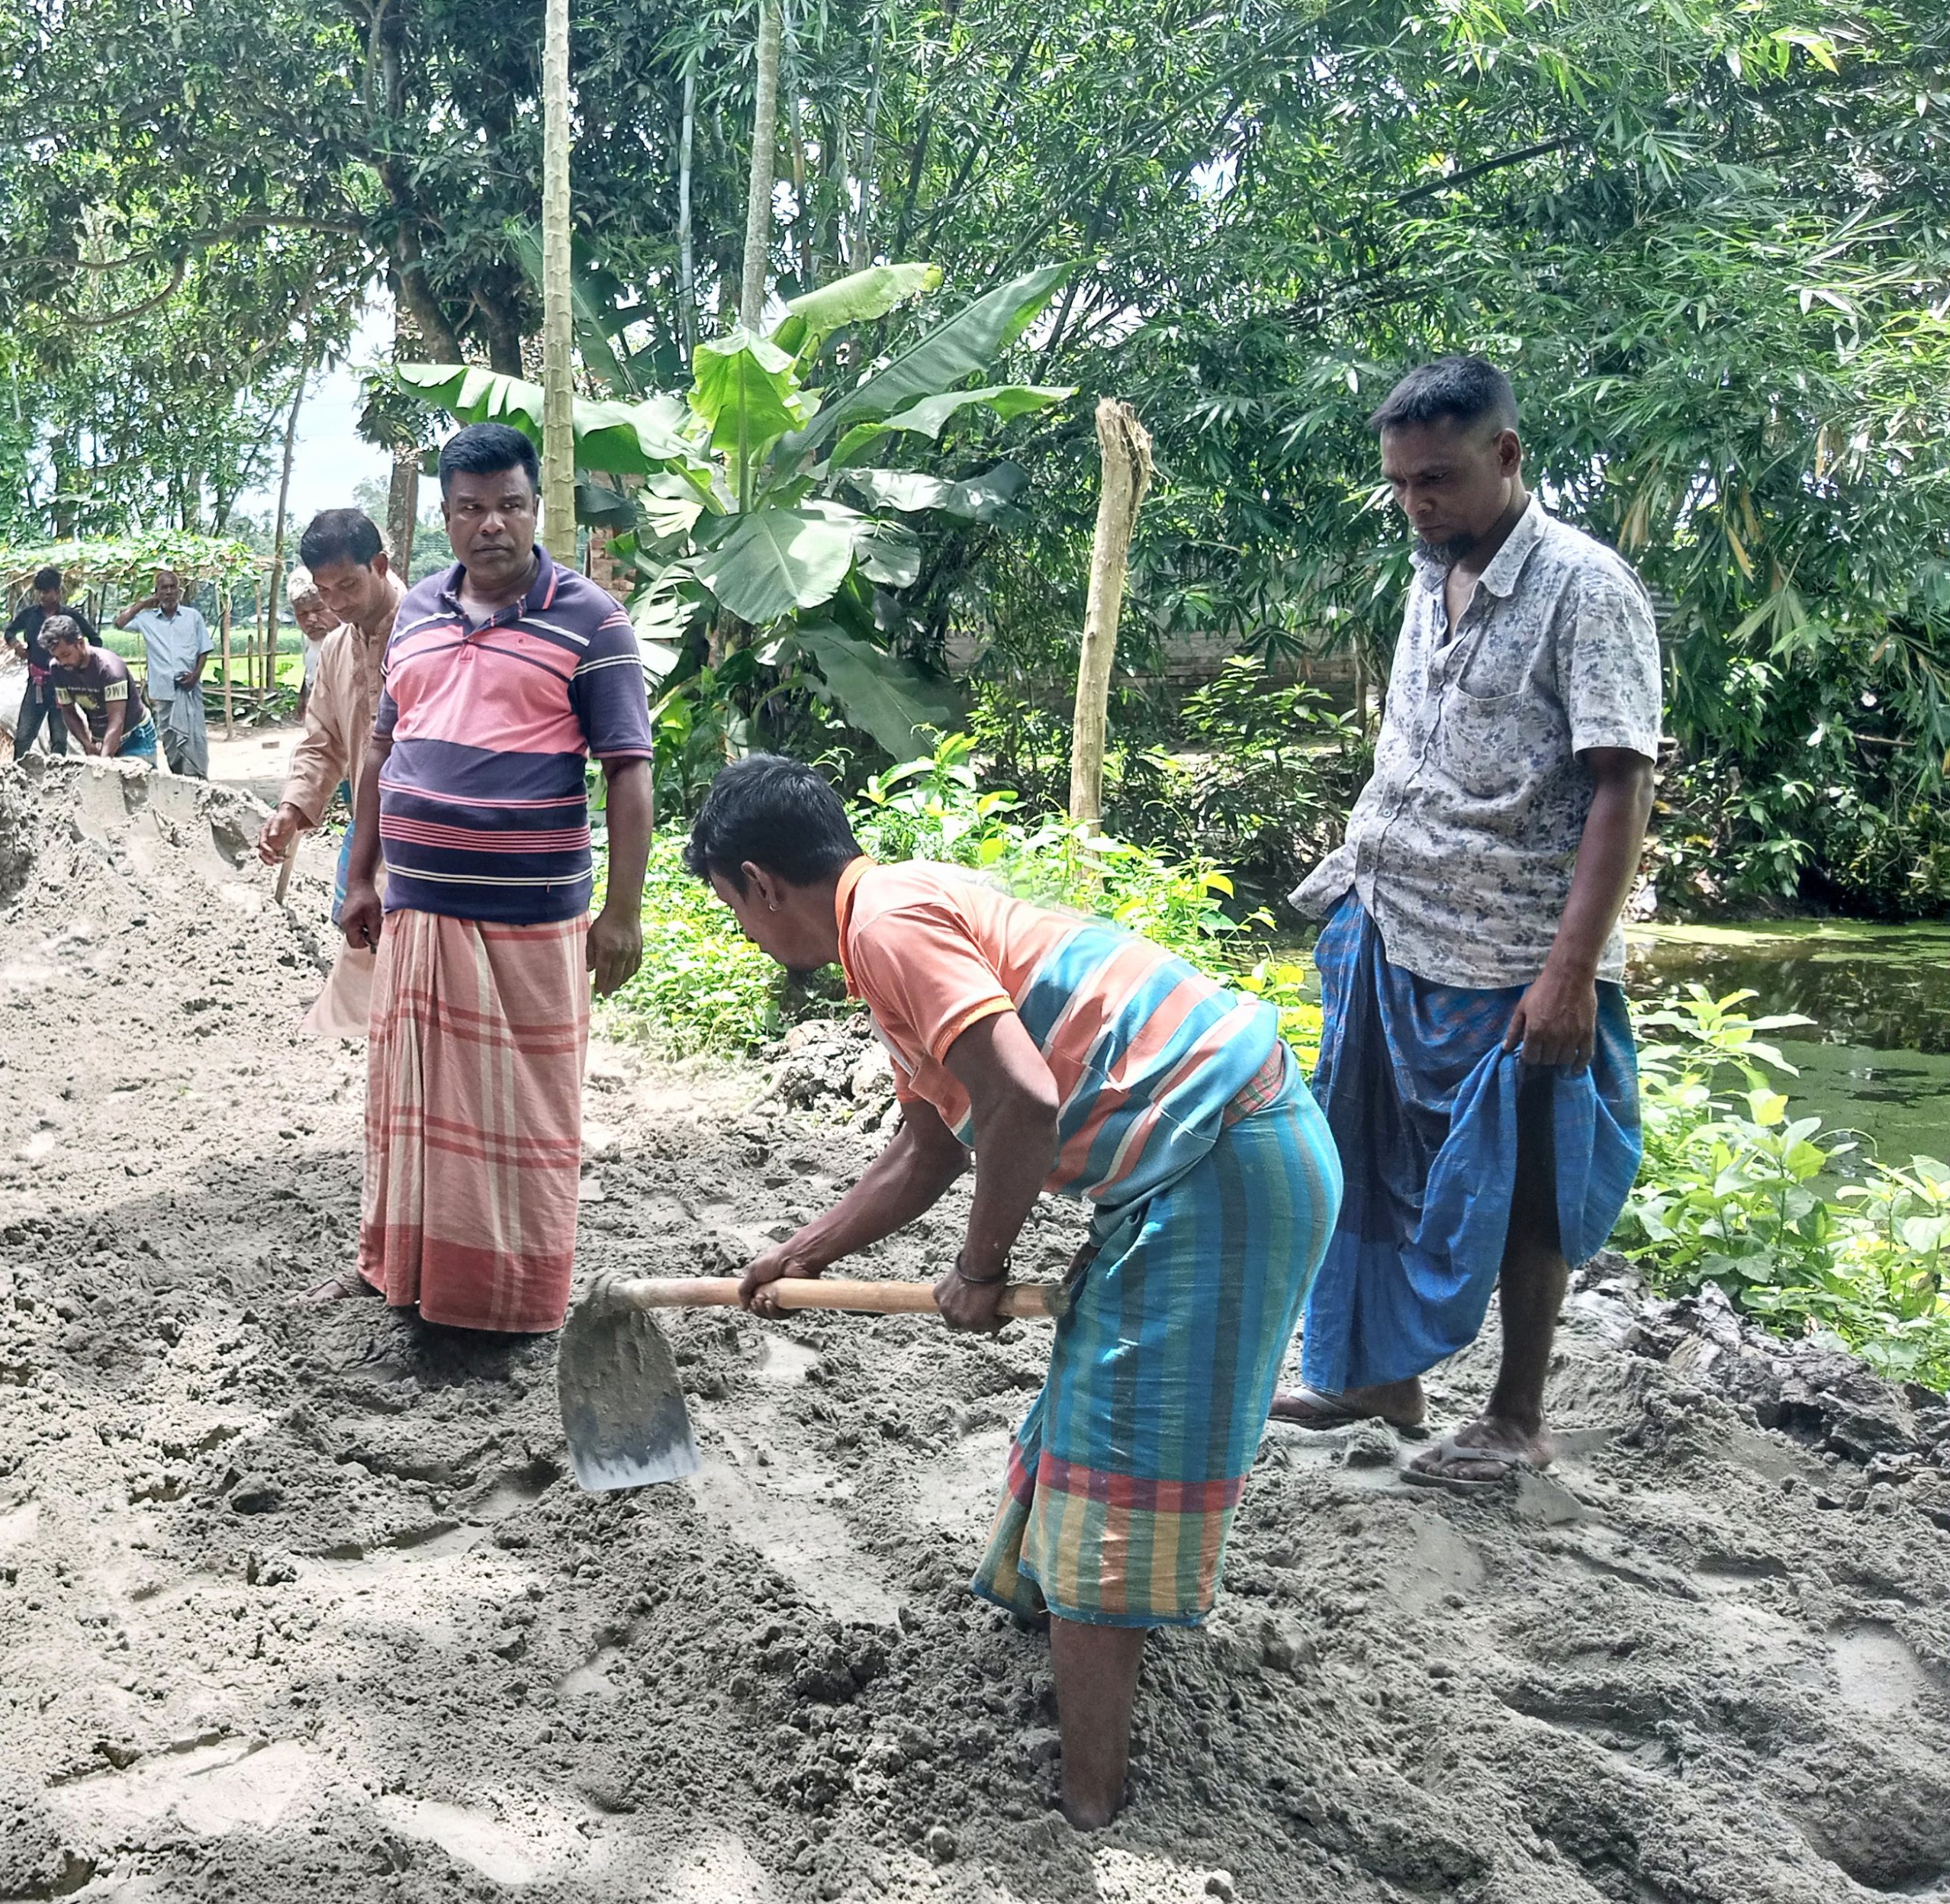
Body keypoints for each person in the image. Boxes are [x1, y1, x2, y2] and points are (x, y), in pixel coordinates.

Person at [690, 753, 1340, 1828]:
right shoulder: (894, 916)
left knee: (1114, 1467)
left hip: (1225, 1164)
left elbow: (1025, 1103)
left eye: (736, 913)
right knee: (1086, 1415)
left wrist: (981, 1269)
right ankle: (1077, 1691)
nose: (750, 936)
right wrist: (807, 1250)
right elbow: (933, 1144)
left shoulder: (892, 926)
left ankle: (1092, 1801)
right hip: (1201, 1163)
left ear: (761, 884)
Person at [1268, 356, 1659, 1488]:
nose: (1416, 504)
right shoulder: (1427, 569)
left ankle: (1518, 1412)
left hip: (1515, 950)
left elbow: (1620, 790)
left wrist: (1571, 974)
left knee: (1532, 1170)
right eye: (1399, 483)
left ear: (1507, 455)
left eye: (1436, 479)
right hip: (1393, 921)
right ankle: (1377, 1377)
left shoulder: (1588, 590)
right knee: (1369, 1155)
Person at [333, 424, 652, 1330]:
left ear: (534, 508)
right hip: (417, 913)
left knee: (522, 1125)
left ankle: (506, 1303)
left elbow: (628, 769)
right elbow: (382, 753)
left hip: (530, 923)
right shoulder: (420, 613)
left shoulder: (592, 619)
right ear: (444, 517)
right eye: (470, 508)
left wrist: (623, 912)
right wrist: (360, 878)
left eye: (509, 504)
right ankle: (406, 1276)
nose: (492, 526)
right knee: (411, 1110)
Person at [259, 509, 404, 1037]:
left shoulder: (431, 631)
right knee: (367, 956)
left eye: (348, 585)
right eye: (326, 591)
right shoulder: (338, 649)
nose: (337, 603)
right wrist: (292, 808)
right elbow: (322, 740)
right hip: (374, 834)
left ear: (381, 566)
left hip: (435, 838)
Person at [123, 567, 213, 777]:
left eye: (173, 587)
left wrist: (196, 674)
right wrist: (144, 604)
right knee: (171, 742)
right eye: (164, 588)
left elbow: (204, 649)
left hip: (189, 690)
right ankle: (180, 780)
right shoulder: (147, 619)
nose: (169, 592)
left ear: (179, 591)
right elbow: (120, 622)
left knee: (194, 739)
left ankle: (197, 781)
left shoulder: (193, 617)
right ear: (157, 592)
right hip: (163, 691)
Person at [1, 566, 92, 758]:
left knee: (59, 737)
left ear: (57, 592)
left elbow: (94, 639)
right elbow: (9, 632)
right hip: (37, 682)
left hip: (64, 684)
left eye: (47, 591)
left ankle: (58, 777)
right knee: (24, 735)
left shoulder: (70, 617)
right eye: (40, 592)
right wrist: (17, 646)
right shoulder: (29, 615)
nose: (42, 596)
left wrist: (81, 664)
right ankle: (18, 773)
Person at [44, 617, 159, 761]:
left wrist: (103, 763)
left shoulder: (109, 669)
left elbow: (117, 720)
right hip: (99, 738)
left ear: (80, 643)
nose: (62, 662)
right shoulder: (57, 669)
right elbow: (68, 711)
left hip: (135, 737)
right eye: (57, 657)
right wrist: (87, 744)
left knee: (134, 782)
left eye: (66, 655)